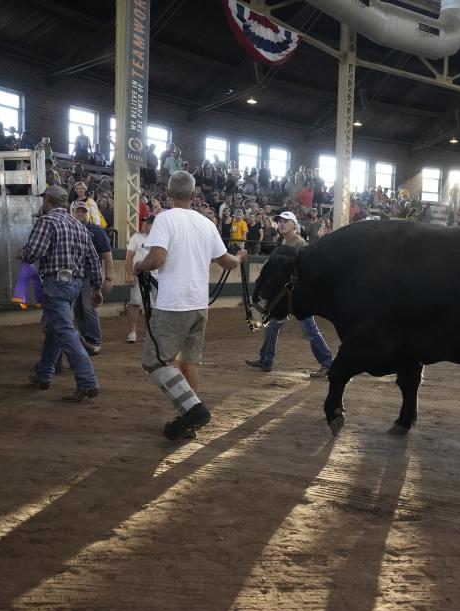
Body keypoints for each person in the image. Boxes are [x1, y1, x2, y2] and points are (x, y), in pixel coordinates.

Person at [133, 170, 247, 441]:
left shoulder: (165, 219)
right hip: (199, 305)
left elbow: (157, 258)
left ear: (168, 194)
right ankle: (188, 420)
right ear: (194, 195)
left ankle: (193, 410)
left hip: (173, 304)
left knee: (154, 361)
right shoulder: (206, 224)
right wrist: (240, 258)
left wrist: (140, 265)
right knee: (190, 362)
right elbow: (226, 262)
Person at [22, 185, 103, 401]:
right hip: (75, 284)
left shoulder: (47, 221)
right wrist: (97, 287)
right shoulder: (79, 226)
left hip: (56, 283)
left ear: (48, 199)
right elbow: (93, 260)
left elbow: (34, 252)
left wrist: (23, 254)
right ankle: (44, 374)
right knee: (54, 328)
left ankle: (87, 382)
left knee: (64, 330)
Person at [245, 211, 333, 378]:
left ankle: (327, 363)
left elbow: (306, 270)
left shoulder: (299, 244)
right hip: (285, 298)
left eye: (286, 221)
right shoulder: (284, 242)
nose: (282, 224)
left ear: (294, 225)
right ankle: (266, 360)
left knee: (310, 330)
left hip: (297, 298)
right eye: (279, 222)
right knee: (273, 326)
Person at [70, 200, 114, 355]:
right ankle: (85, 340)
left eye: (83, 211)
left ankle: (94, 341)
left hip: (89, 276)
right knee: (78, 309)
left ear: (88, 213)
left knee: (88, 308)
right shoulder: (70, 229)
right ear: (73, 212)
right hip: (75, 275)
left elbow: (107, 255)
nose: (80, 213)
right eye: (78, 211)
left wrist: (108, 277)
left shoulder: (96, 230)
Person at [125, 215, 156, 343]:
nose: (144, 225)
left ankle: (151, 332)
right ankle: (132, 332)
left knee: (154, 305)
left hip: (155, 275)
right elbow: (129, 258)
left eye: (147, 223)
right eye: (145, 223)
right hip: (139, 274)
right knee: (135, 303)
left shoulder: (160, 238)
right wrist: (130, 275)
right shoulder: (136, 238)